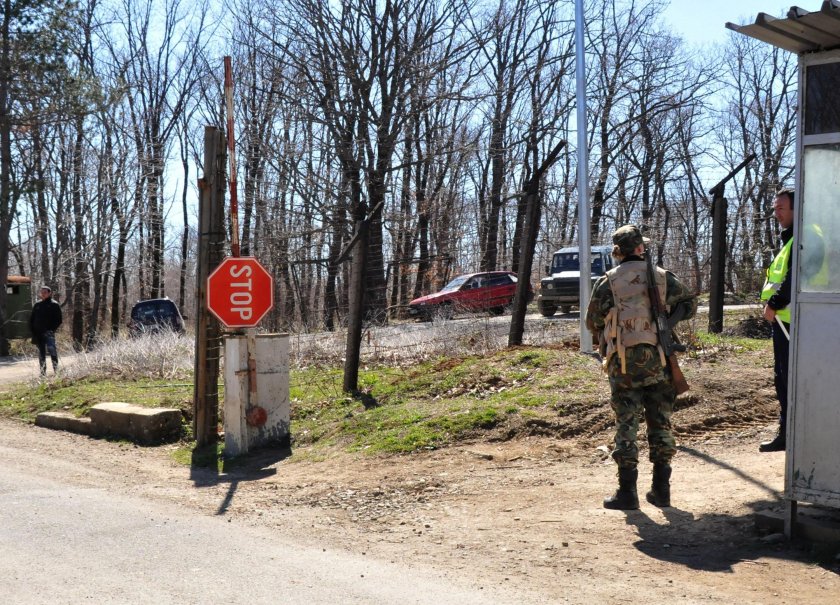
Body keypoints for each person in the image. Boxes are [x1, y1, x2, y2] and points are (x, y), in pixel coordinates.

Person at [586, 225, 697, 510]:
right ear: (639, 249)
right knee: (660, 421)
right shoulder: (662, 277)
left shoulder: (607, 281)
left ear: (618, 252)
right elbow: (689, 303)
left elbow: (593, 322)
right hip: (660, 360)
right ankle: (662, 490)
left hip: (623, 363)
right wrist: (665, 326)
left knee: (627, 423)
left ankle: (627, 493)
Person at [759, 188, 797, 452]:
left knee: (790, 379)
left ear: (797, 209)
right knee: (782, 378)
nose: (776, 213)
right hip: (784, 321)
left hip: (793, 322)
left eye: (781, 208)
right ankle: (787, 432)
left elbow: (796, 276)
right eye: (775, 208)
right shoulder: (790, 239)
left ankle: (792, 434)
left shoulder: (804, 238)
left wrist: (774, 303)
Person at [29, 285, 62, 376]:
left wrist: (51, 330)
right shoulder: (37, 305)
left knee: (52, 352)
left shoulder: (54, 304)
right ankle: (43, 373)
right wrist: (33, 331)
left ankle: (56, 372)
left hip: (49, 333)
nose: (43, 294)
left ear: (49, 293)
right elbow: (32, 319)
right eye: (41, 292)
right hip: (38, 333)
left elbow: (59, 320)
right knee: (41, 354)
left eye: (45, 292)